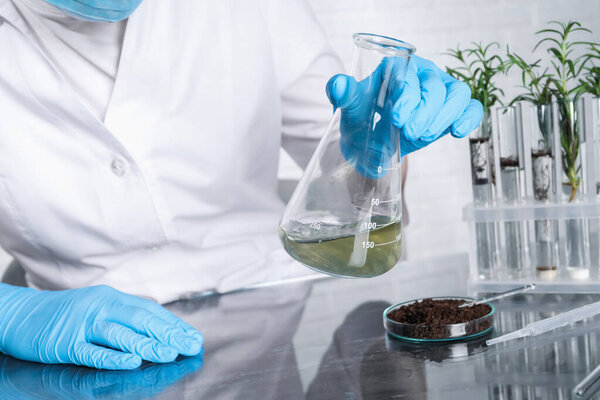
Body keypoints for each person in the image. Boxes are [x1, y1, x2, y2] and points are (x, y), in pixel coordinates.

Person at [0, 0, 483, 370]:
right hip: (85, 348)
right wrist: (10, 315)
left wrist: (376, 151)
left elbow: (345, 172)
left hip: (275, 312)